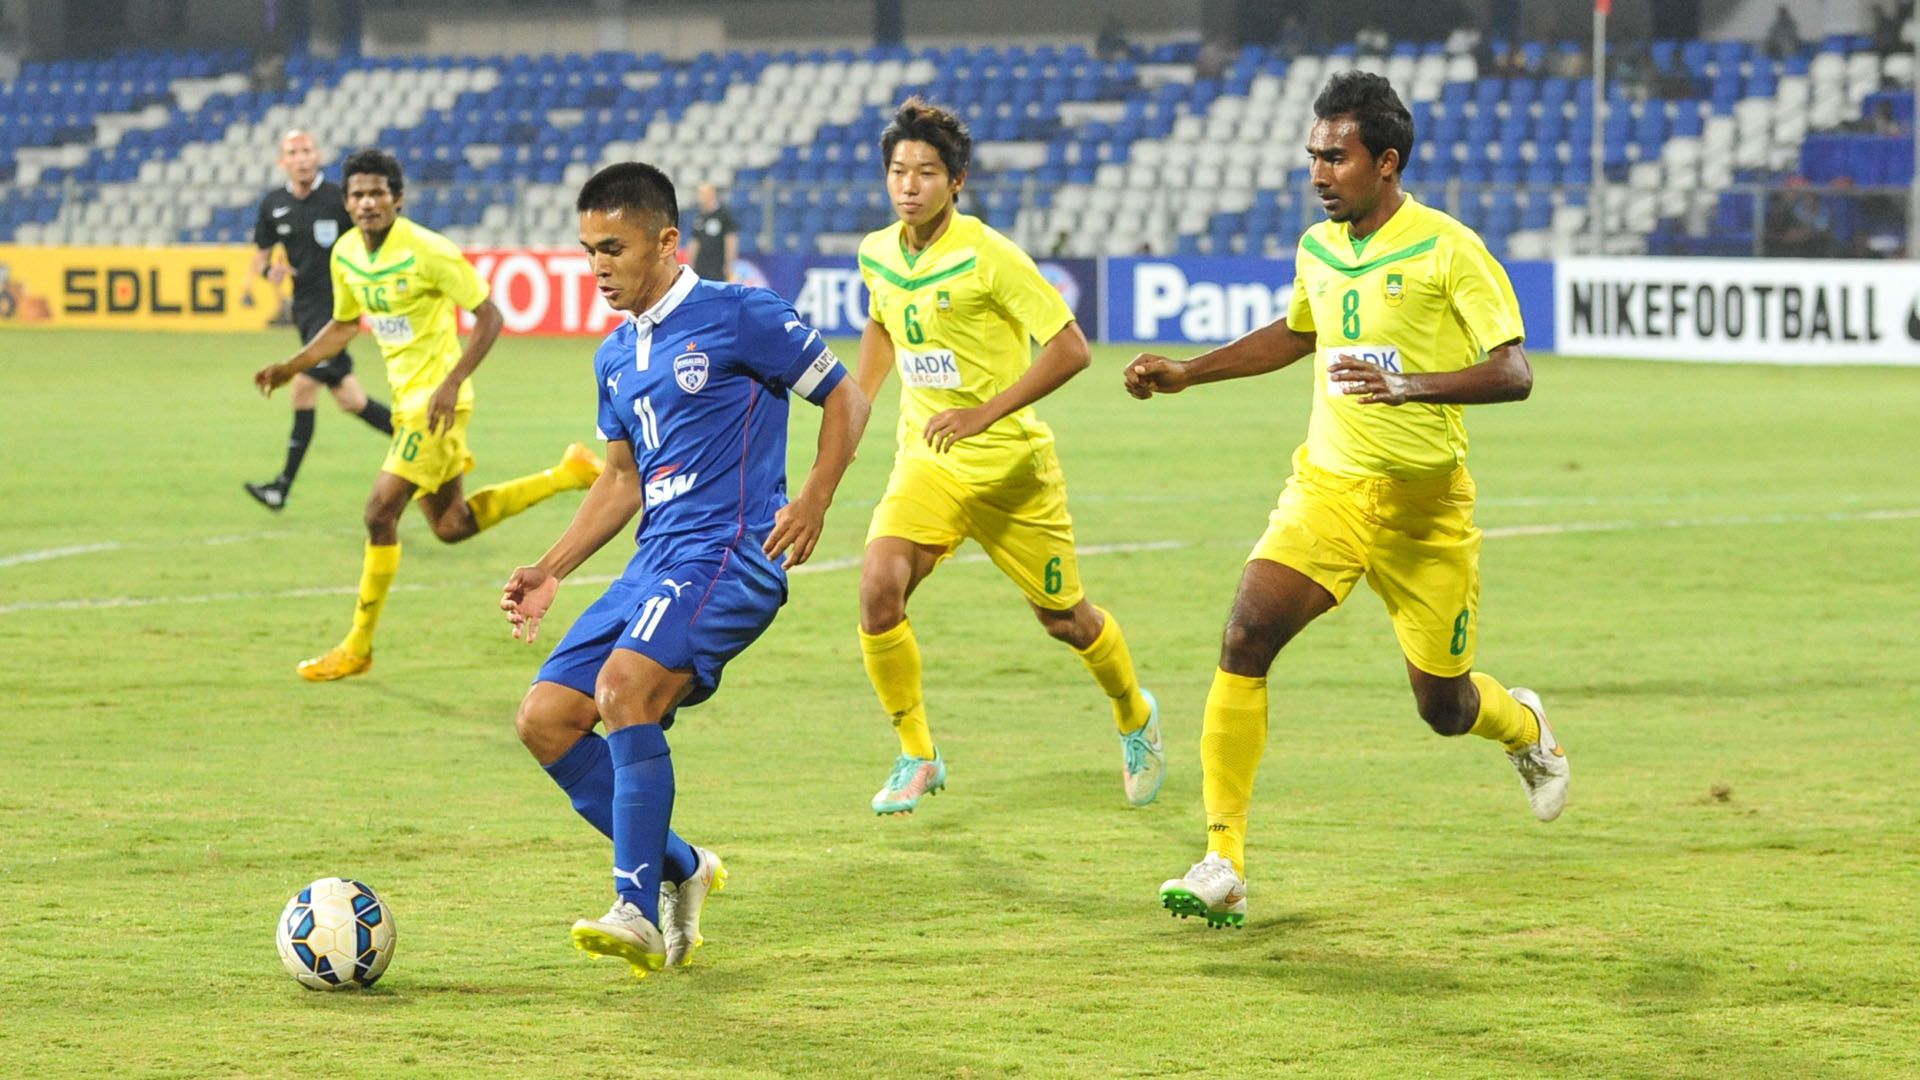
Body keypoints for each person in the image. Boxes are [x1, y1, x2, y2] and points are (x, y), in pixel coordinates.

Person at [1124, 71, 1569, 929]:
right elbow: (1299, 332)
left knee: (1445, 707)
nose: (1320, 172)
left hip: (1424, 511)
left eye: (1338, 157)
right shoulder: (1317, 247)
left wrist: (1414, 387)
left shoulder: (1449, 249)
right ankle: (1225, 859)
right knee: (1246, 633)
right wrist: (1190, 371)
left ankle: (1525, 728)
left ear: (1387, 162)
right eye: (1313, 157)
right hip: (1328, 489)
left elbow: (1514, 371)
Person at [501, 162, 869, 977]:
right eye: (589, 250)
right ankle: (683, 866)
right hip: (654, 561)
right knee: (546, 719)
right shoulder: (613, 356)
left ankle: (632, 905)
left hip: (733, 551)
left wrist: (813, 497)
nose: (598, 266)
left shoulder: (741, 316)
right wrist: (553, 567)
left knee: (625, 689)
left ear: (667, 242)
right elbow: (623, 479)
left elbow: (847, 397)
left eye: (615, 248)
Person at [854, 99, 1164, 816]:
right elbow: (880, 321)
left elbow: (1071, 347)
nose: (909, 185)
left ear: (956, 181)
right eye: (899, 171)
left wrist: (985, 413)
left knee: (1066, 620)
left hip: (1011, 472)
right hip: (928, 459)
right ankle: (917, 754)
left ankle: (1134, 714)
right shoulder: (876, 252)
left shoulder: (990, 255)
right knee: (878, 587)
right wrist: (858, 400)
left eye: (926, 172)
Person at [253, 148, 604, 682]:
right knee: (450, 525)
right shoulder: (346, 252)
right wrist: (291, 365)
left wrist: (452, 381)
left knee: (378, 513)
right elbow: (346, 324)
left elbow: (489, 315)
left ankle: (357, 646)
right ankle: (567, 474)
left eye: (377, 193)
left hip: (437, 405)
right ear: (346, 202)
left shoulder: (428, 251)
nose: (367, 202)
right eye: (358, 194)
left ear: (397, 198)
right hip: (408, 402)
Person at [244, 130, 393, 512]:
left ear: (319, 155)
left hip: (336, 312)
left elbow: (374, 236)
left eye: (307, 150)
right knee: (352, 400)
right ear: (283, 162)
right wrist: (268, 274)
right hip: (305, 312)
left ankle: (281, 487)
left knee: (302, 389)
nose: (302, 157)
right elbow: (261, 256)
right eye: (293, 152)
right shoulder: (273, 205)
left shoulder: (340, 199)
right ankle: (422, 442)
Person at [686, 183, 738, 282]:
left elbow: (731, 240)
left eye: (703, 194)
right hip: (701, 266)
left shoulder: (724, 215)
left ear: (712, 194)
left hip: (717, 266)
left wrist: (729, 263)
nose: (700, 198)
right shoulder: (699, 217)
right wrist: (691, 263)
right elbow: (695, 241)